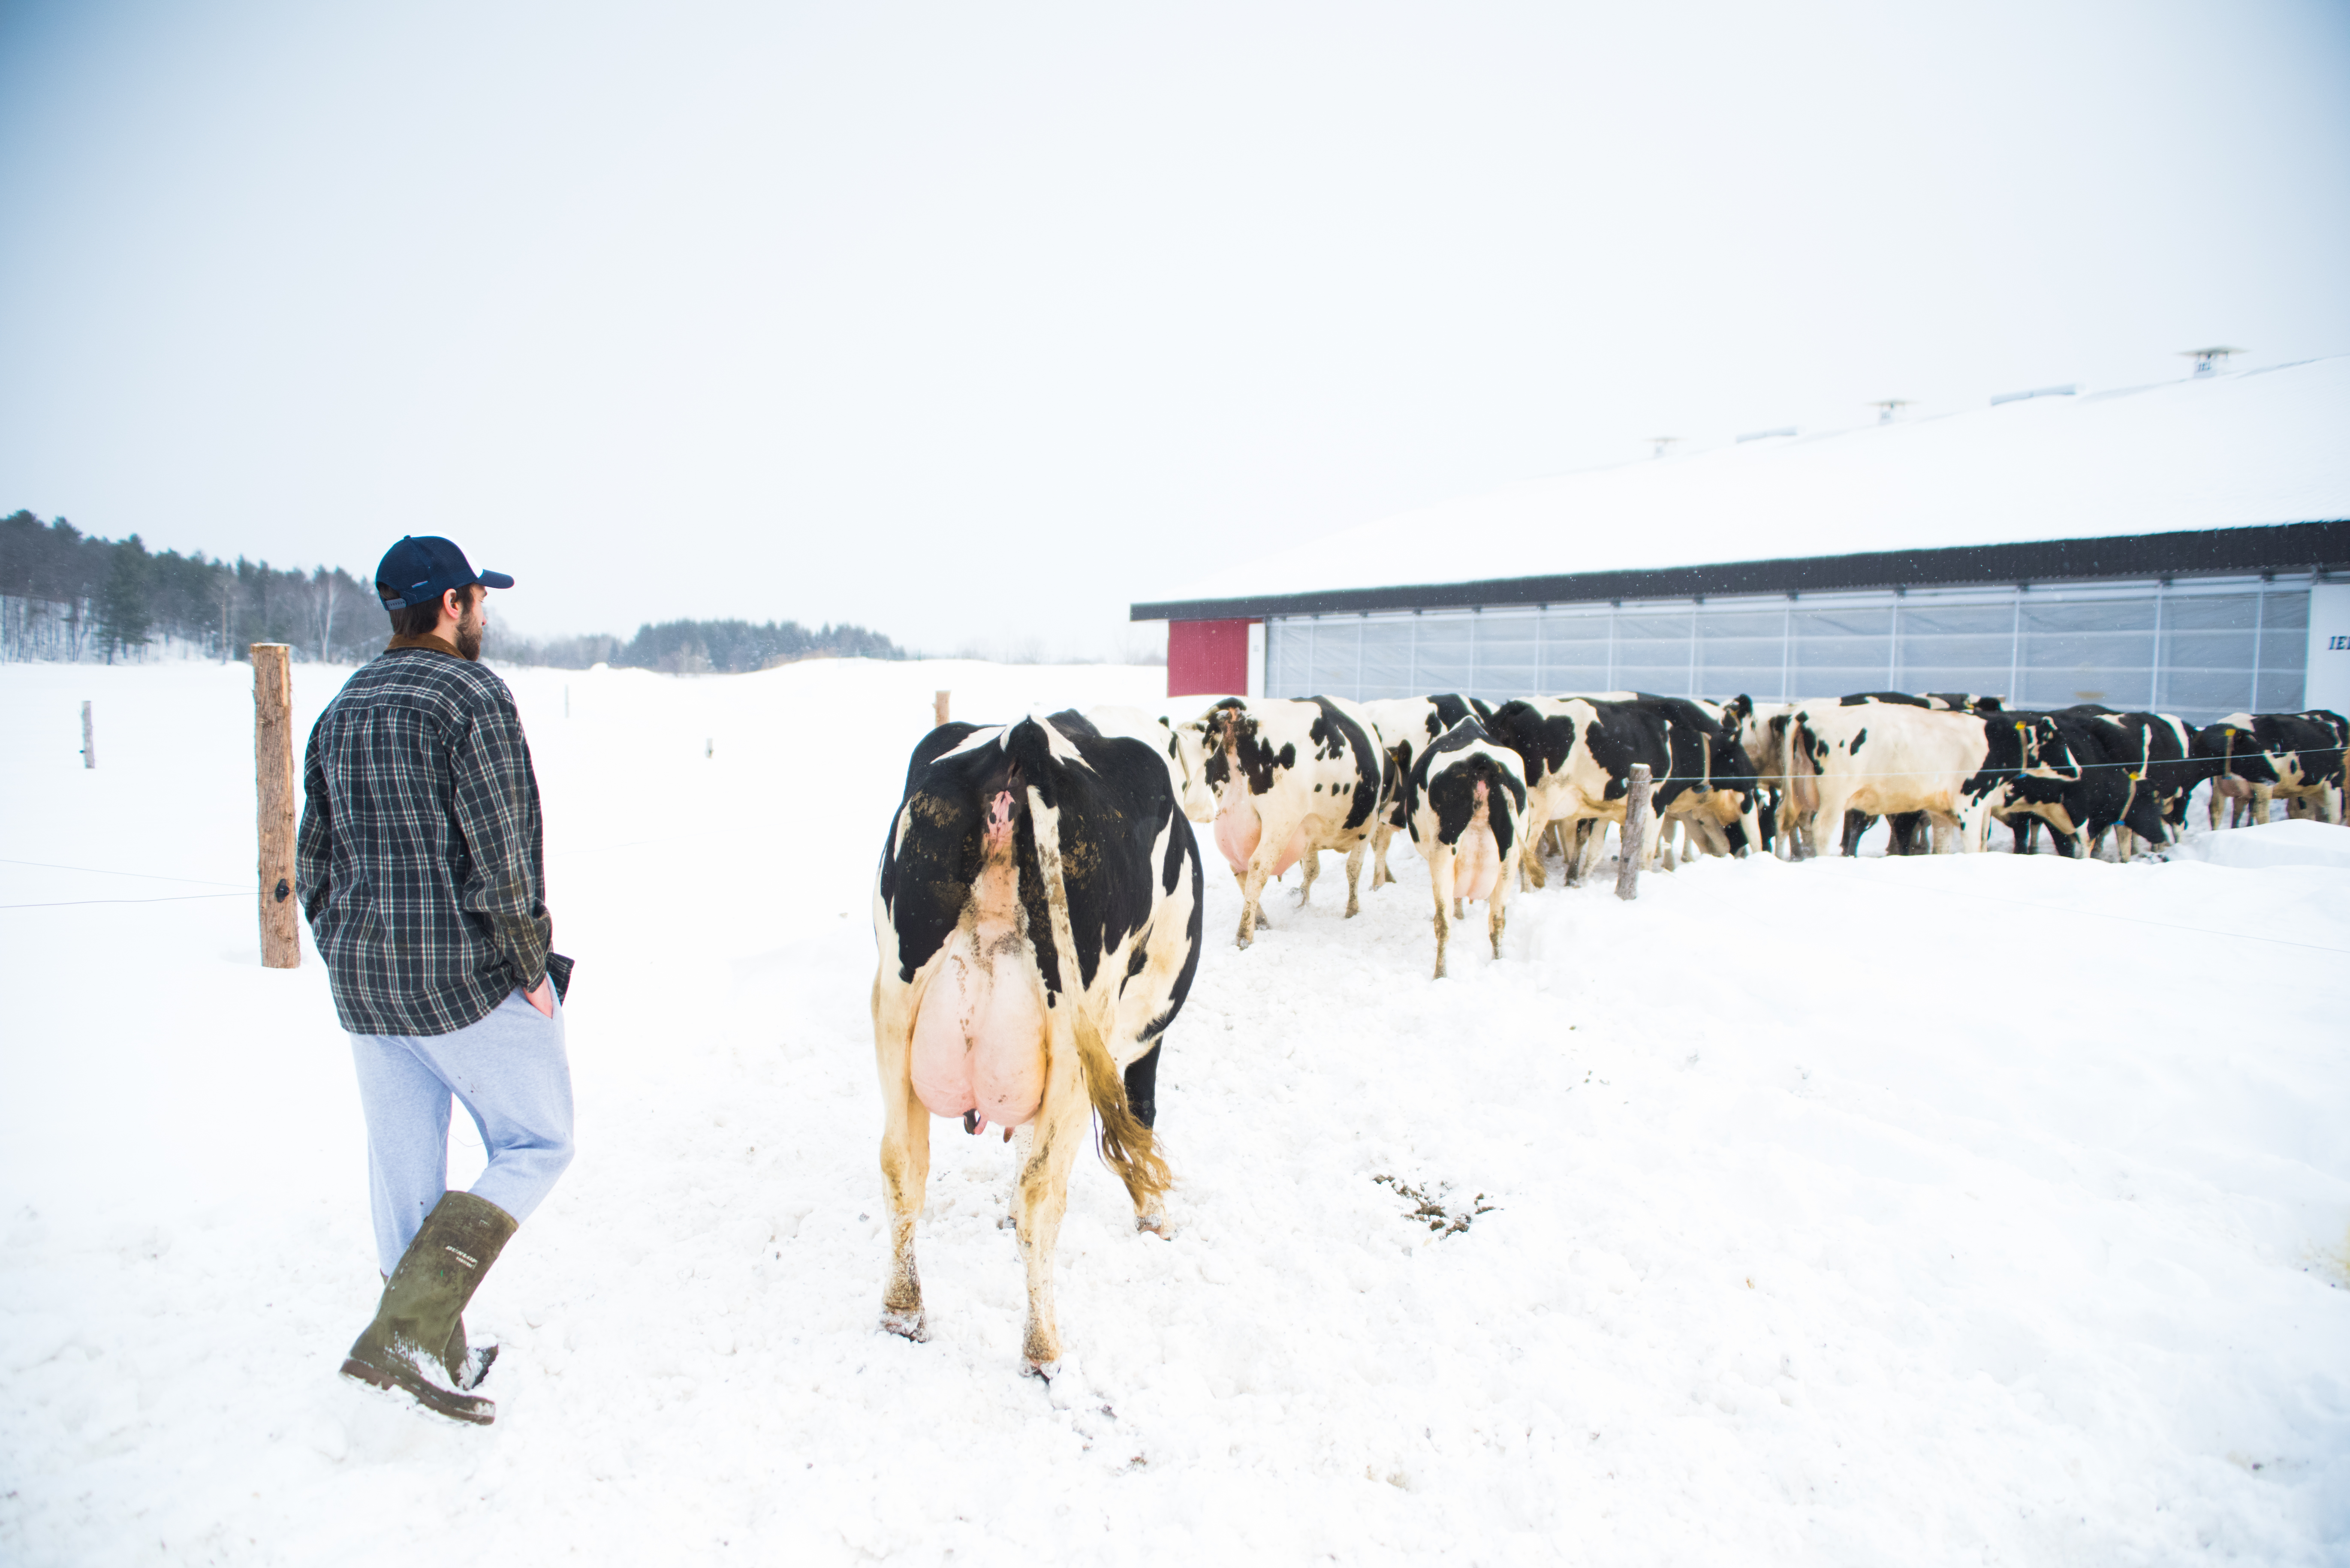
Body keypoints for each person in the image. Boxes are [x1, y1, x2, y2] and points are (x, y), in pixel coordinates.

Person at [295, 534, 575, 1425]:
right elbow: (503, 857)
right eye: (478, 598)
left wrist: (346, 948)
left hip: (366, 989)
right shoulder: (471, 695)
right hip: (464, 983)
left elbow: (313, 863)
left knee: (404, 1172)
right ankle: (410, 1332)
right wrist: (531, 965)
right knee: (539, 1142)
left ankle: (423, 1346)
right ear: (452, 604)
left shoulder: (341, 705)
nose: (484, 612)